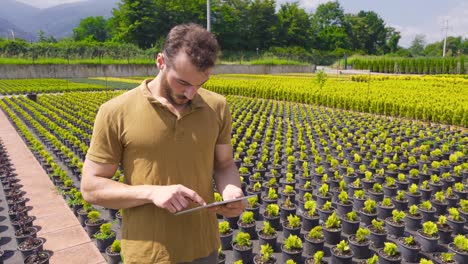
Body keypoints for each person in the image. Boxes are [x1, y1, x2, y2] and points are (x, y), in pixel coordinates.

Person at [81, 23, 245, 263]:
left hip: (204, 247)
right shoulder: (115, 112)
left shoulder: (217, 107)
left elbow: (224, 164)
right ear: (160, 62)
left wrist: (231, 189)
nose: (191, 93)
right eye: (183, 83)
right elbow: (91, 187)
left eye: (200, 84)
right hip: (148, 253)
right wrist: (152, 192)